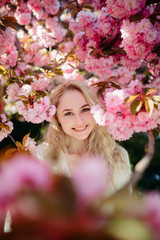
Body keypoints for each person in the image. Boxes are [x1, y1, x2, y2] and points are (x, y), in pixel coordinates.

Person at [34, 80, 132, 197]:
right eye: (68, 113)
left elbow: (126, 207)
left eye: (85, 109)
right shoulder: (41, 156)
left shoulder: (118, 155)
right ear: (57, 119)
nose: (79, 121)